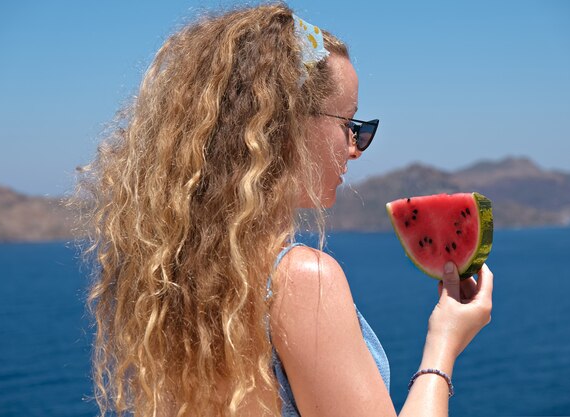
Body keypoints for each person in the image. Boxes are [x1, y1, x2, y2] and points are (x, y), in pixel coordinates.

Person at [77, 3, 493, 417]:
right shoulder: (301, 281)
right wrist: (444, 343)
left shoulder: (169, 277)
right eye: (349, 123)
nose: (355, 147)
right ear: (286, 125)